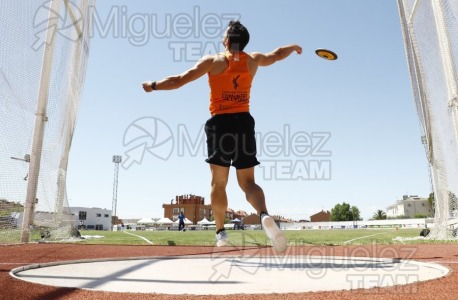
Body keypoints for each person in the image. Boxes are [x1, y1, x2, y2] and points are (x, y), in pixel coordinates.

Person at [142, 20, 302, 253]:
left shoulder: (213, 61)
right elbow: (276, 54)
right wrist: (294, 47)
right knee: (248, 183)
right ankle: (264, 214)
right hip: (244, 122)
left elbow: (178, 81)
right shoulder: (254, 59)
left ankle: (220, 232)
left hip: (220, 124)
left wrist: (152, 85)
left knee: (219, 183)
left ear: (227, 40)